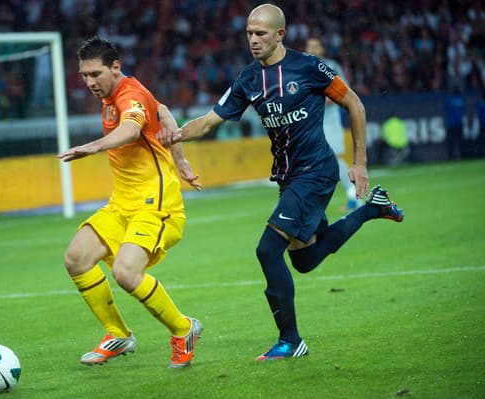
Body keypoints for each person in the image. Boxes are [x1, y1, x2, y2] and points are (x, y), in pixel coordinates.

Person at [157, 4, 405, 361]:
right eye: (248, 34)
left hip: (316, 172)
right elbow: (211, 120)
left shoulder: (309, 68)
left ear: (280, 35)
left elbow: (355, 104)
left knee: (267, 249)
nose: (253, 40)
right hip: (288, 178)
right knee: (304, 260)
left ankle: (290, 341)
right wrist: (177, 135)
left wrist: (360, 162)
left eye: (260, 34)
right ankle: (372, 209)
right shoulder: (247, 79)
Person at [58, 36, 203, 368]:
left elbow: (131, 130)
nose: (90, 82)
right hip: (123, 202)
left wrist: (91, 147)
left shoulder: (130, 94)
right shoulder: (114, 93)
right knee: (77, 258)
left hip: (155, 203)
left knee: (125, 273)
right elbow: (164, 112)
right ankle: (117, 333)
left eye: (96, 74)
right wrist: (181, 161)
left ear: (115, 67)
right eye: (84, 75)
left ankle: (184, 329)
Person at [305, 37, 359, 210]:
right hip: (311, 124)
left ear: (322, 50)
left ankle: (354, 193)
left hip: (329, 122)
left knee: (333, 159)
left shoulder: (331, 66)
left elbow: (341, 92)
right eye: (310, 47)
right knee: (314, 162)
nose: (313, 50)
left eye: (316, 46)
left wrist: (314, 103)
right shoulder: (303, 68)